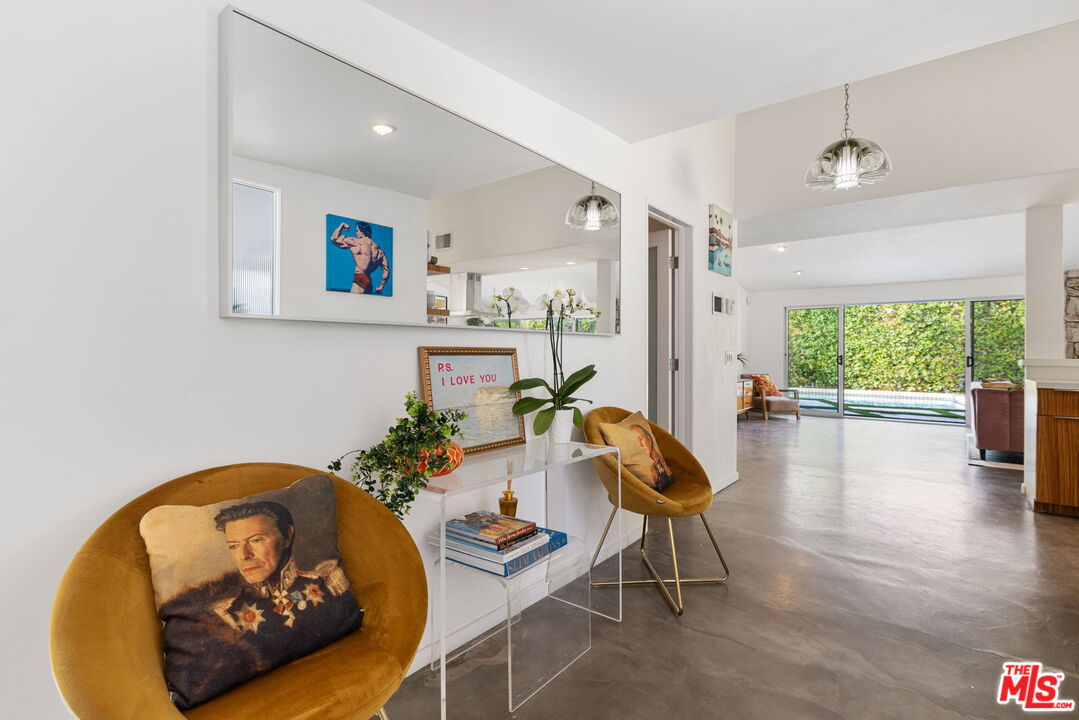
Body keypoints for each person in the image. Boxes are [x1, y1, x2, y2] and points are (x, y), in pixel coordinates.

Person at [330, 221, 390, 294]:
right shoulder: (380, 251)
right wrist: (381, 286)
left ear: (362, 231)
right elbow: (386, 270)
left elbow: (334, 239)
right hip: (369, 282)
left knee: (352, 303)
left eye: (357, 230)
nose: (356, 233)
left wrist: (342, 224)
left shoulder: (356, 242)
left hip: (360, 278)